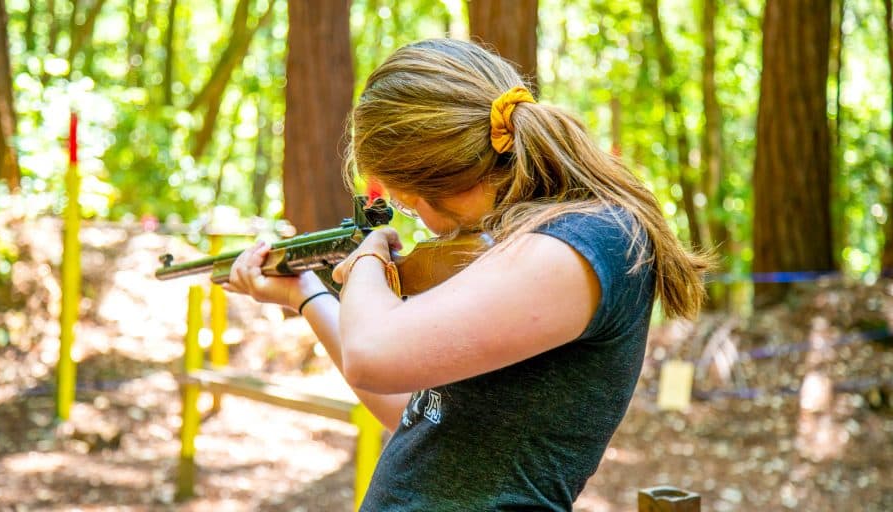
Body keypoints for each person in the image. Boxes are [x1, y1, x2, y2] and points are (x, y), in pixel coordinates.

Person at [223, 38, 710, 511]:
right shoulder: (538, 242)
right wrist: (304, 293)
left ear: (428, 187)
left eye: (405, 206)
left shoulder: (583, 239)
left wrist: (370, 256)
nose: (419, 224)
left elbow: (370, 353)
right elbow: (418, 412)